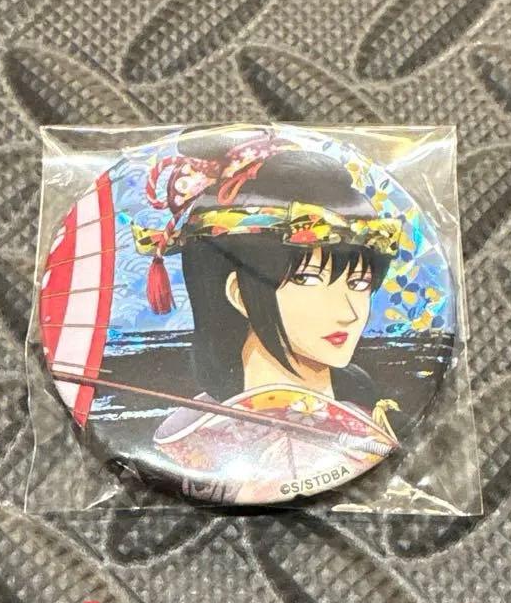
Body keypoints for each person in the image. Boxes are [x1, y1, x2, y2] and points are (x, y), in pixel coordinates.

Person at [131, 129, 403, 503]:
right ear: (239, 293)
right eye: (308, 278)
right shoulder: (188, 436)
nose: (349, 311)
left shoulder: (370, 417)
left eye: (359, 283)